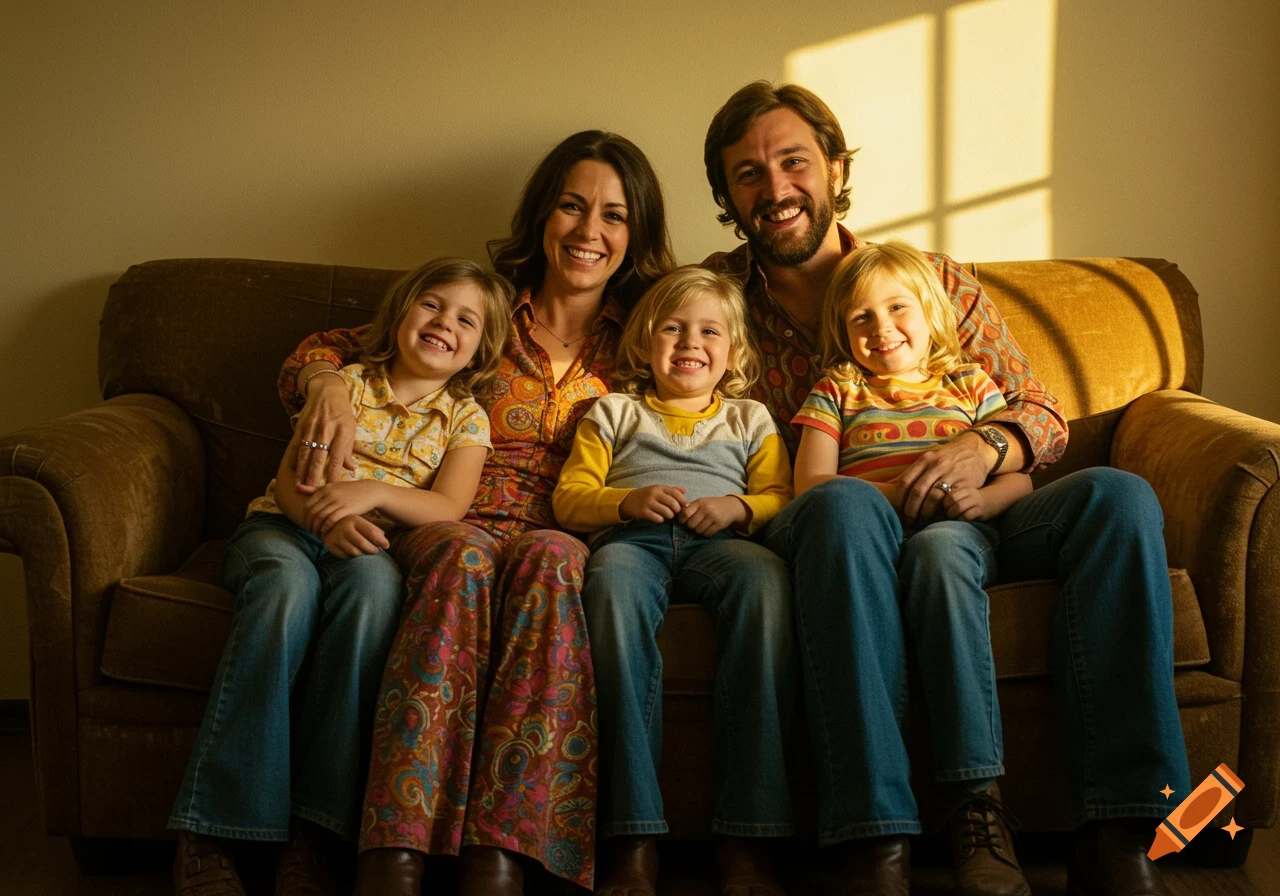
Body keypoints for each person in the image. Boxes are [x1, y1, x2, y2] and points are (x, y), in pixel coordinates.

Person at [702, 80, 1190, 896]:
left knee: (1119, 496)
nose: (775, 188)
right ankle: (875, 839)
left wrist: (982, 446)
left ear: (832, 167)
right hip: (831, 525)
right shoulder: (716, 298)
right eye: (748, 174)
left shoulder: (929, 281)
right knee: (845, 505)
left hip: (978, 511)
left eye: (793, 161)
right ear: (726, 195)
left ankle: (1122, 831)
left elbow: (1039, 412)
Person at [278, 131, 676, 896]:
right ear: (542, 215)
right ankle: (394, 849)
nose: (590, 231)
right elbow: (332, 348)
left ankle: (502, 854)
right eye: (572, 205)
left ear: (637, 234)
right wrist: (324, 382)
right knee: (462, 550)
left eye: (615, 215)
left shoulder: (644, 335)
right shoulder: (484, 308)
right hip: (443, 524)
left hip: (564, 532)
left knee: (554, 559)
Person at [169, 257, 511, 896]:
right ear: (402, 312)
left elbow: (447, 507)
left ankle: (314, 832)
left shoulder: (467, 418)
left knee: (375, 598)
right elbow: (288, 482)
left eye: (467, 320)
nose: (445, 324)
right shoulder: (347, 385)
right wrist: (323, 521)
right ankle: (212, 829)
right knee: (283, 594)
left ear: (478, 354)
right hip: (283, 531)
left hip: (369, 549)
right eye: (433, 305)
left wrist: (369, 490)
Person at [792, 239, 1035, 894]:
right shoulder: (838, 387)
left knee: (943, 546)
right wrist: (899, 496)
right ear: (842, 333)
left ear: (932, 314)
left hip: (958, 538)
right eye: (861, 318)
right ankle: (877, 833)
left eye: (897, 308)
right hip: (864, 548)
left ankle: (975, 804)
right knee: (851, 509)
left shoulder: (970, 386)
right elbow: (814, 487)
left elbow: (1023, 485)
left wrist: (985, 497)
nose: (881, 329)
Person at [553, 265, 794, 896]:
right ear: (644, 344)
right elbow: (570, 498)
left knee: (766, 587)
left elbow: (779, 495)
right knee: (607, 589)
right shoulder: (614, 411)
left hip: (724, 546)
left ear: (733, 352)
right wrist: (625, 503)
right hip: (634, 545)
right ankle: (632, 835)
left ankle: (750, 834)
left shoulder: (750, 419)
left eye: (709, 331)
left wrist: (739, 507)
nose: (690, 342)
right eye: (672, 328)